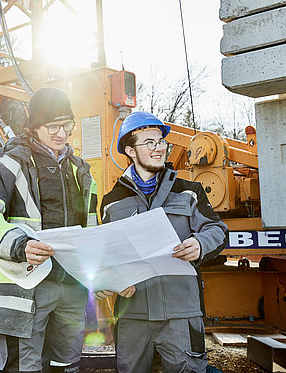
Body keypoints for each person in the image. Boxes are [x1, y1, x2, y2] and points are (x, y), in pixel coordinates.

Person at [0, 87, 98, 373]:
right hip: (23, 286)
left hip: (71, 286)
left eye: (67, 125)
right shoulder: (6, 165)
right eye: (53, 126)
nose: (62, 133)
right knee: (22, 366)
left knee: (66, 364)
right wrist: (20, 244)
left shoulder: (81, 172)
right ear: (35, 126)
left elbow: (92, 229)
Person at [96, 111, 228, 373]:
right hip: (132, 315)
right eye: (150, 143)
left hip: (181, 313)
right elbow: (105, 256)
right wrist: (106, 281)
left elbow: (218, 231)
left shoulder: (189, 191)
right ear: (130, 151)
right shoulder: (111, 202)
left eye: (161, 142)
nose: (159, 149)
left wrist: (200, 244)